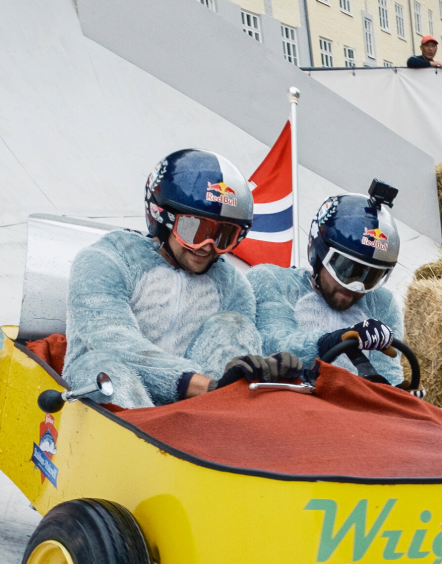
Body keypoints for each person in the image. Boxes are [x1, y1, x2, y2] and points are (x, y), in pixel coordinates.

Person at [63, 149, 293, 407]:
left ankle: (224, 419)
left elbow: (239, 354)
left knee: (235, 324)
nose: (207, 246)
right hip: (109, 384)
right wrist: (202, 385)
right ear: (162, 216)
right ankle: (141, 440)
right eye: (193, 229)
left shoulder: (234, 286)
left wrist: (250, 373)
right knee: (104, 369)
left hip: (196, 400)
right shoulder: (107, 257)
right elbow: (112, 339)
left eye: (223, 235)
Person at [249, 188, 406, 385]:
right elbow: (275, 345)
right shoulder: (271, 280)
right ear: (317, 253)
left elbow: (388, 378)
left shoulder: (384, 304)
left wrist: (402, 394)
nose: (355, 287)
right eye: (346, 269)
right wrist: (331, 341)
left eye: (371, 276)